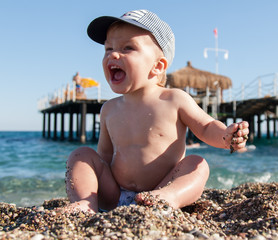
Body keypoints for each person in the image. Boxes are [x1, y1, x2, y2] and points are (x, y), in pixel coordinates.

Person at [65, 9, 249, 213]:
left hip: (161, 187)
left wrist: (225, 136)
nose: (113, 54)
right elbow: (105, 156)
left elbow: (205, 127)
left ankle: (169, 198)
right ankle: (85, 203)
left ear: (158, 66)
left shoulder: (174, 99)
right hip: (114, 195)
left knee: (197, 163)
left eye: (127, 48)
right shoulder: (109, 109)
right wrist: (96, 181)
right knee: (81, 154)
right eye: (108, 49)